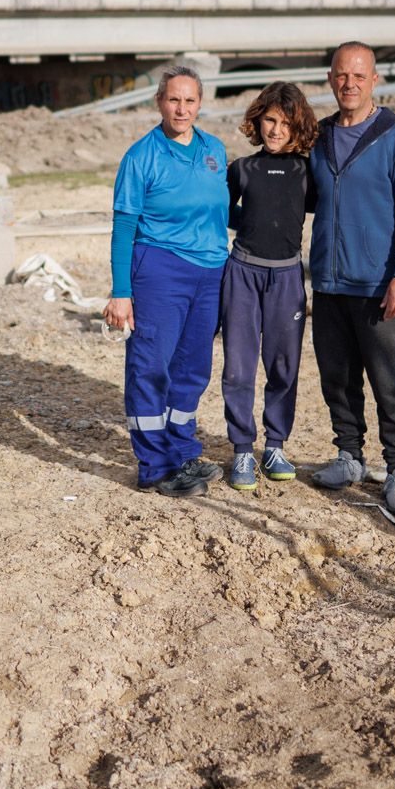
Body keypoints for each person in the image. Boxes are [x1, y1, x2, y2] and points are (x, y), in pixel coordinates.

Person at [307, 42, 395, 517]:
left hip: (379, 287)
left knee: (388, 381)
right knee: (337, 379)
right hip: (330, 284)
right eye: (341, 75)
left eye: (358, 76)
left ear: (374, 80)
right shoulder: (316, 137)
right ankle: (349, 456)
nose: (349, 84)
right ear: (331, 79)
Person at [103, 65, 230, 498]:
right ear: (159, 102)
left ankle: (182, 451)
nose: (182, 108)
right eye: (174, 99)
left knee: (192, 367)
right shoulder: (141, 157)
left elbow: (222, 212)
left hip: (210, 272)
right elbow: (123, 227)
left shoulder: (215, 150)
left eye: (190, 100)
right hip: (159, 269)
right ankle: (155, 467)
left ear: (200, 103)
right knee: (151, 366)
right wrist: (121, 291)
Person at [219, 81, 319, 491]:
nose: (276, 130)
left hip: (287, 277)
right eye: (270, 121)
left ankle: (275, 444)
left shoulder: (307, 172)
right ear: (257, 121)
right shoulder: (242, 169)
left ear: (299, 128)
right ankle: (243, 447)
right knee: (239, 367)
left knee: (283, 366)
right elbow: (222, 212)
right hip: (242, 273)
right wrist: (257, 226)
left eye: (285, 123)